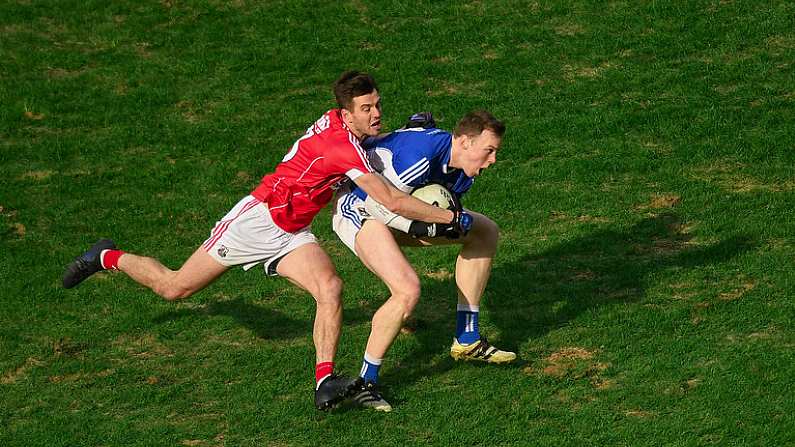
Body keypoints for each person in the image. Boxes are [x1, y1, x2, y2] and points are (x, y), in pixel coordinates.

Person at [61, 71, 470, 411]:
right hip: (256, 221)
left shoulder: (344, 128)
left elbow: (374, 147)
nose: (376, 113)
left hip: (292, 231)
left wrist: (417, 129)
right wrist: (449, 218)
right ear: (346, 115)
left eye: (377, 103)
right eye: (367, 109)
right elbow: (392, 198)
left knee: (330, 287)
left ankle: (324, 381)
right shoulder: (340, 147)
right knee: (174, 287)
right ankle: (106, 255)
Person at [331, 110, 516, 412]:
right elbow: (379, 199)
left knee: (484, 231)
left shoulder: (461, 171)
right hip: (358, 208)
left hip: (399, 210)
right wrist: (422, 226)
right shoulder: (420, 157)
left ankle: (466, 338)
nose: (493, 159)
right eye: (489, 150)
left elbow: (435, 205)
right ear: (465, 142)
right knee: (407, 290)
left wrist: (443, 221)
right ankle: (365, 384)